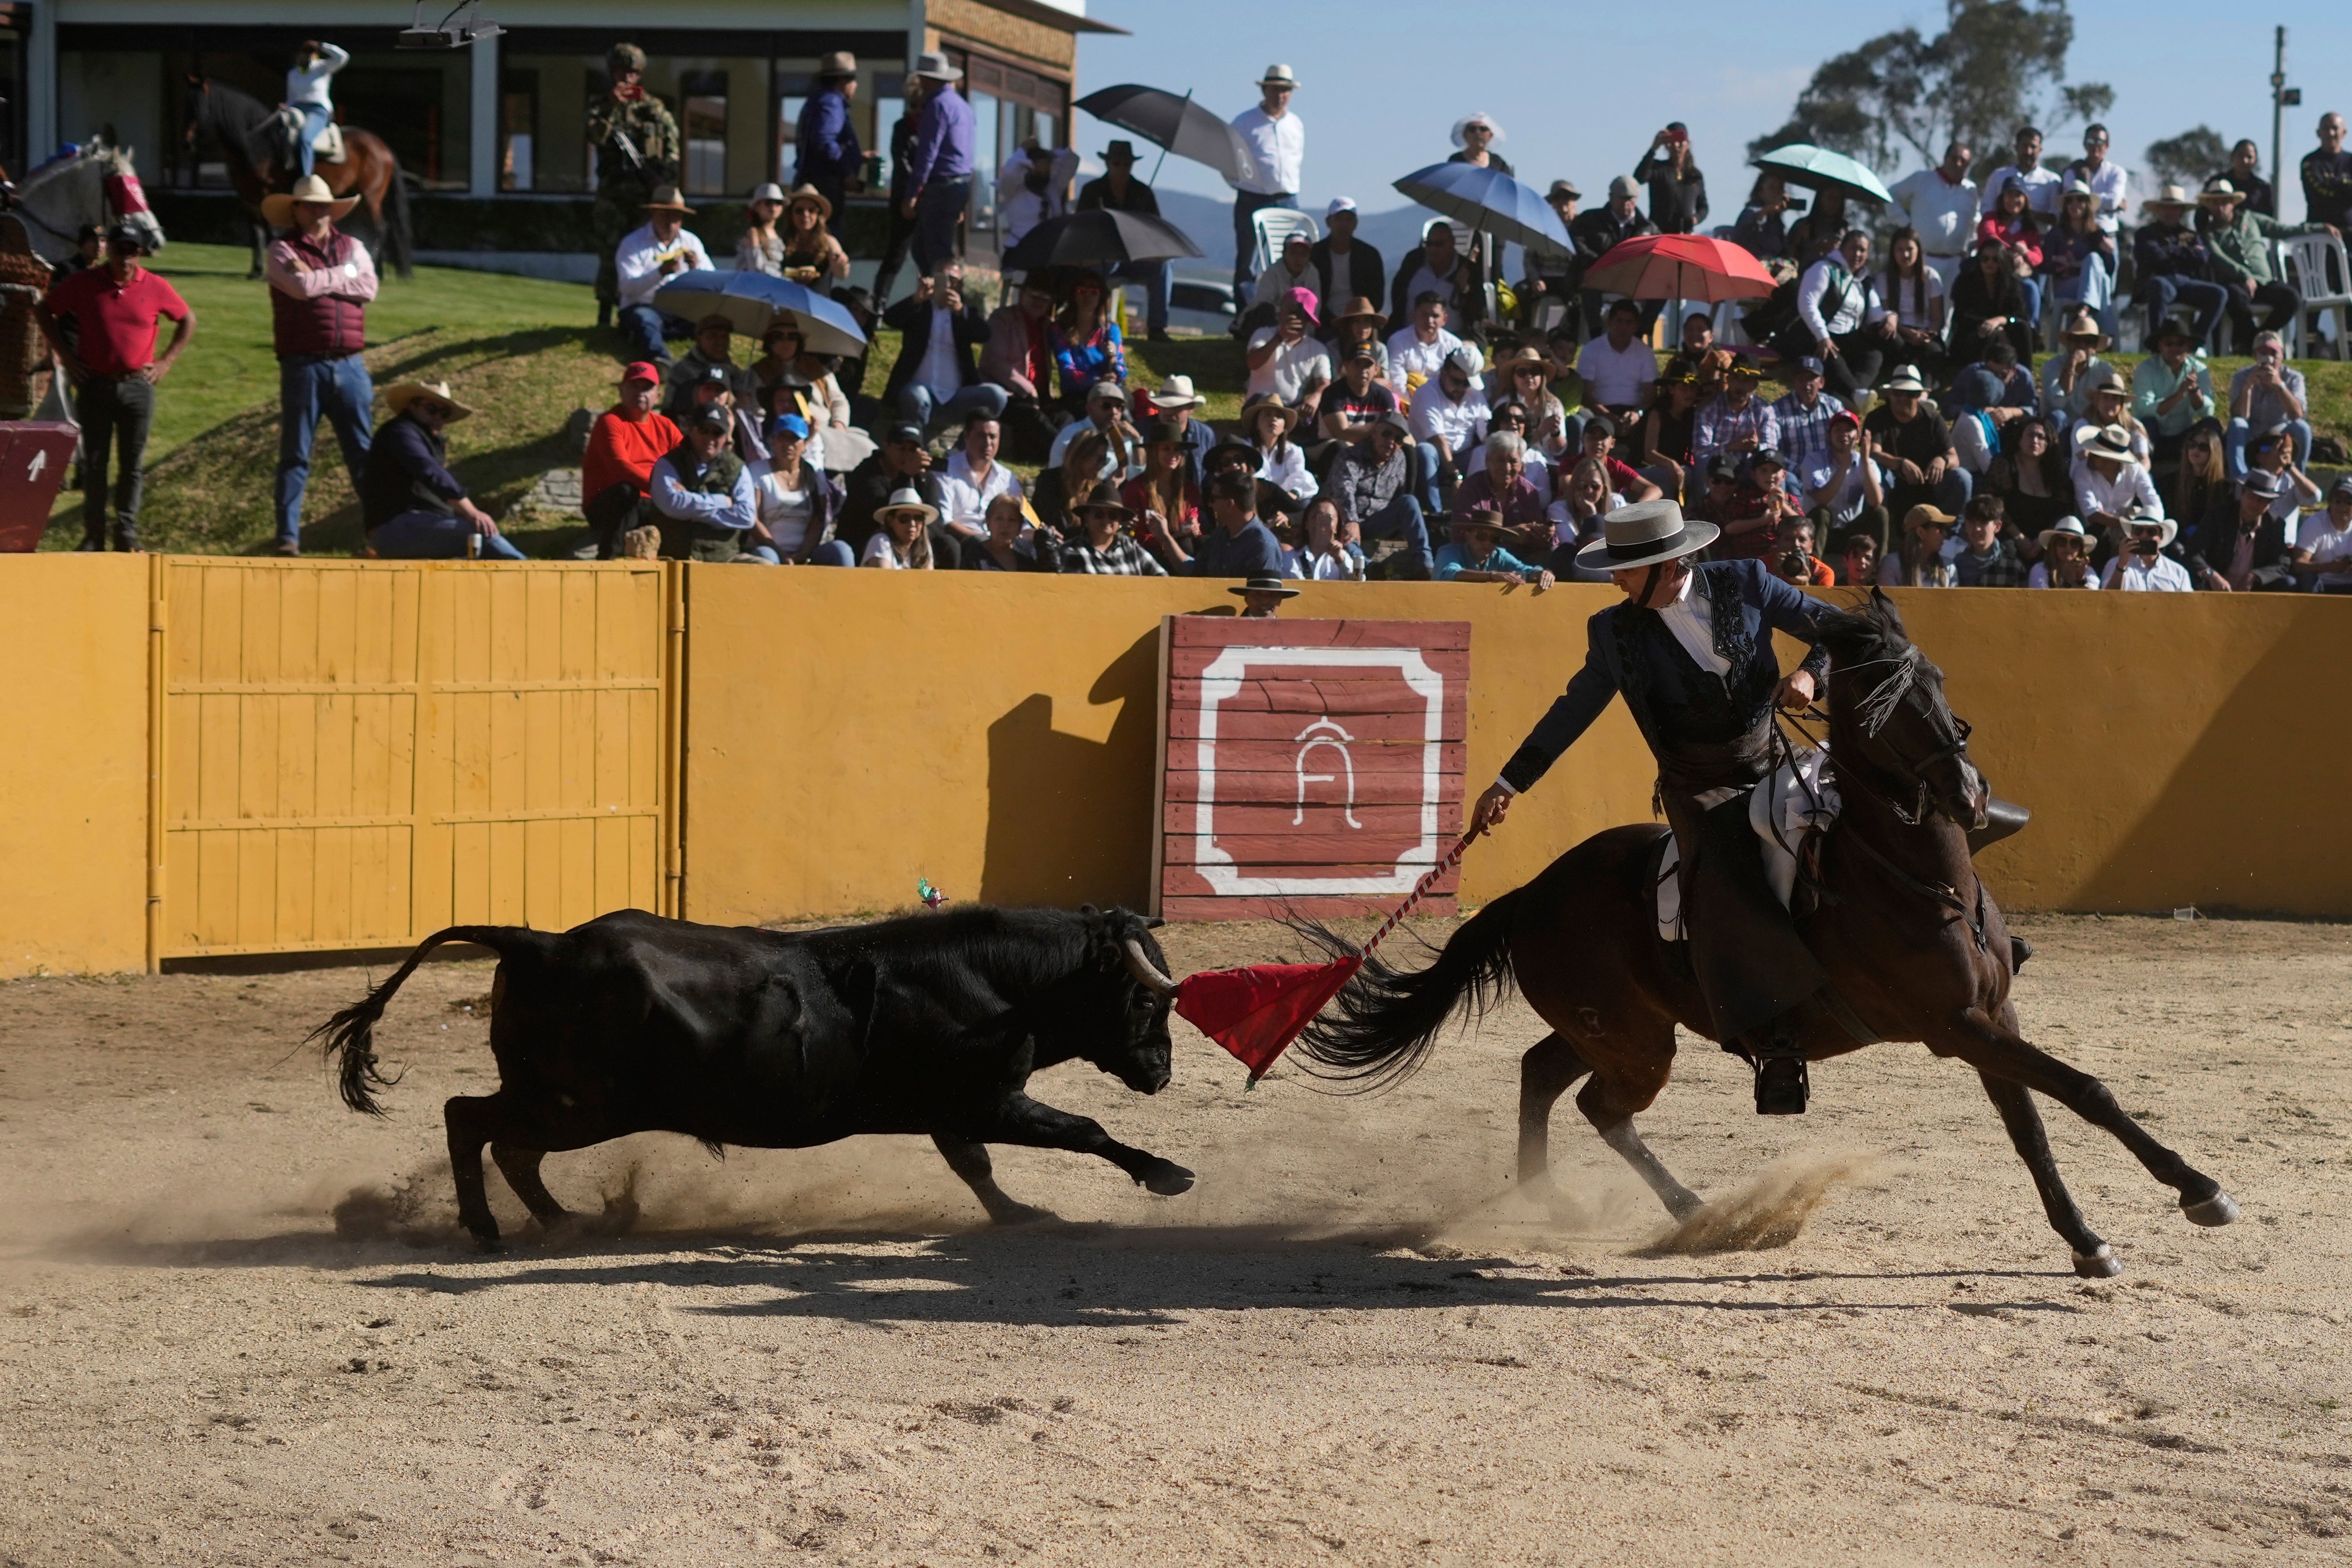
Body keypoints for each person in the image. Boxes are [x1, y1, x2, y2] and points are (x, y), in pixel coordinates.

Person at [1472, 499, 1836, 1112]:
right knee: (1731, 880)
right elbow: (1573, 709)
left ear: (1669, 566)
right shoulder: (1613, 632)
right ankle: (1775, 1039)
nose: (1614, 579)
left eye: (1625, 569)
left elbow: (1834, 629)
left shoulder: (1744, 581)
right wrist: (1509, 783)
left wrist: (1810, 677)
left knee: (1871, 811)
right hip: (1698, 789)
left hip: (1776, 760)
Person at [37, 221, 193, 553]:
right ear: (107, 249)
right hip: (94, 384)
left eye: (132, 251)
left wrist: (166, 361)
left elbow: (186, 320)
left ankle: (127, 534)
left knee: (132, 465)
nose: (125, 257)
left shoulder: (154, 286)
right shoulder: (84, 283)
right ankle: (94, 536)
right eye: (119, 249)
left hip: (138, 386)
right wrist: (65, 355)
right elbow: (44, 309)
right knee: (95, 464)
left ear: (140, 253)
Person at [261, 175, 375, 558]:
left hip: (351, 364)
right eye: (311, 204)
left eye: (324, 204)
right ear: (296, 209)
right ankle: (288, 538)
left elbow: (370, 288)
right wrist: (345, 276)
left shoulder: (353, 246)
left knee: (363, 454)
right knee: (296, 453)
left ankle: (379, 532)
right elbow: (301, 290)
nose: (320, 210)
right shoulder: (280, 250)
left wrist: (321, 277)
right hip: (303, 365)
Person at [358, 380, 523, 560]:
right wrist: (472, 512)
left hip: (420, 525)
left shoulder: (425, 439)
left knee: (470, 557)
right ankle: (528, 576)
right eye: (431, 409)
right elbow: (429, 471)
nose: (438, 416)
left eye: (444, 413)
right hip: (397, 526)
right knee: (479, 535)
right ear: (412, 407)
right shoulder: (400, 432)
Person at [586, 44, 681, 328]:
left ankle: (644, 313)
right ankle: (605, 315)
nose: (626, 78)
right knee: (609, 252)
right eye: (621, 71)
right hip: (613, 195)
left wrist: (660, 184)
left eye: (632, 72)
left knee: (647, 253)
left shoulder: (654, 109)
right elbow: (593, 135)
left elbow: (673, 152)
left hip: (647, 196)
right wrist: (611, 108)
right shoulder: (600, 106)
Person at [2202, 177, 2334, 352]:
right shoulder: (2209, 234)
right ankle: (2254, 343)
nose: (2220, 207)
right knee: (2234, 298)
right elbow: (2219, 258)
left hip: (2265, 282)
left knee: (2291, 298)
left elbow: (2283, 230)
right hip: (2238, 284)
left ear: (2233, 203)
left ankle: (2254, 341)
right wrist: (2245, 276)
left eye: (2224, 202)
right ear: (2209, 206)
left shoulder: (2251, 219)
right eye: (2215, 203)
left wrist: (2319, 228)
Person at [882, 264, 1005, 434]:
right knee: (916, 397)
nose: (948, 285)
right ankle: (919, 450)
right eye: (942, 279)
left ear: (960, 286)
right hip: (920, 391)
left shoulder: (964, 313)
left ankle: (962, 448)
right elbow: (890, 319)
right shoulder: (920, 309)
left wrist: (961, 311)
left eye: (953, 280)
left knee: (997, 395)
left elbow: (984, 335)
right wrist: (916, 299)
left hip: (956, 395)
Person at [648, 404, 773, 563]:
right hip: (674, 558)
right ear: (692, 430)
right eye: (704, 430)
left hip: (724, 559)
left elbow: (746, 516)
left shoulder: (737, 468)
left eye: (717, 433)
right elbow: (671, 504)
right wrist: (722, 502)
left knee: (764, 565)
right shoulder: (668, 464)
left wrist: (690, 505)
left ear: (726, 436)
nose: (710, 438)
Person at [582, 362, 681, 558]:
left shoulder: (666, 427)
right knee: (626, 491)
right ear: (621, 390)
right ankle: (609, 559)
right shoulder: (610, 421)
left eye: (647, 388)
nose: (640, 393)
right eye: (634, 386)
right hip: (613, 501)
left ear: (658, 396)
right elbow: (620, 466)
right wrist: (662, 489)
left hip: (654, 500)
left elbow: (688, 460)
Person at [1078, 140, 1171, 341]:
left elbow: (1155, 228)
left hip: (1135, 257)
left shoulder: (1143, 193)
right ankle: (1096, 324)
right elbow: (1082, 227)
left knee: (1163, 267)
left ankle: (1157, 327)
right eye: (1117, 164)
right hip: (1102, 257)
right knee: (1098, 270)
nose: (1121, 169)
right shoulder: (1092, 191)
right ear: (1108, 164)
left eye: (1126, 165)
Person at [1229, 65, 1305, 301]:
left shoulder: (1296, 124)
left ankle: (1281, 313)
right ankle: (1248, 318)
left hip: (1286, 199)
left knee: (1288, 260)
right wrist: (1241, 184)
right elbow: (1229, 160)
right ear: (1265, 91)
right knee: (1248, 261)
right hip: (1253, 197)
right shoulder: (1245, 123)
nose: (1280, 96)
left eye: (1285, 90)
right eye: (1275, 90)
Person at [614, 187, 710, 369]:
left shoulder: (691, 242)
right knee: (646, 319)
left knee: (710, 319)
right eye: (665, 215)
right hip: (645, 305)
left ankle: (707, 363)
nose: (670, 223)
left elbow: (712, 281)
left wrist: (696, 268)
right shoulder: (633, 244)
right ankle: (661, 360)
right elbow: (627, 288)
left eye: (676, 217)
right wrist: (660, 273)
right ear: (653, 214)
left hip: (680, 309)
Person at [1329, 412, 1434, 578]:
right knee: (1340, 527)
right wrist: (1352, 520)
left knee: (1410, 502)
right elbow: (1344, 491)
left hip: (1378, 521)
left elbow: (1400, 496)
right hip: (1348, 518)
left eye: (1399, 439)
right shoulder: (1350, 456)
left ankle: (1424, 564)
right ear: (1374, 433)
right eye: (1387, 434)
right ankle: (1369, 567)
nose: (1391, 442)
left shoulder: (1400, 459)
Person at [1793, 229, 1893, 403]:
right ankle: (1856, 394)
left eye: (1862, 250)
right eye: (1853, 248)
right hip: (1818, 337)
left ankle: (1854, 394)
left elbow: (1875, 314)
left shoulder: (1864, 281)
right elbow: (1807, 304)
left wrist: (1891, 316)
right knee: (1831, 352)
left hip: (1849, 338)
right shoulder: (1824, 268)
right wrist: (1822, 336)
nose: (1858, 254)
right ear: (1842, 249)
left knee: (1875, 354)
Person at [841, 420, 957, 568]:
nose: (907, 456)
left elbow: (936, 525)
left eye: (913, 451)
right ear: (886, 446)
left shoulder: (925, 478)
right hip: (868, 543)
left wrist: (914, 534)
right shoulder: (867, 474)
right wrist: (905, 475)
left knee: (949, 545)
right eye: (902, 449)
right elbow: (880, 516)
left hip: (914, 546)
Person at [902, 53, 975, 276]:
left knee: (935, 253)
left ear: (928, 80)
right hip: (959, 183)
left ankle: (943, 302)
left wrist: (913, 193)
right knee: (928, 249)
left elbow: (928, 152)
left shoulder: (937, 106)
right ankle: (936, 299)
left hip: (942, 186)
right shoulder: (963, 107)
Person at [747, 412, 852, 566]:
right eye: (783, 437)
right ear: (774, 440)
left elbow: (818, 519)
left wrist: (803, 554)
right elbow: (754, 519)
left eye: (794, 438)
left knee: (841, 550)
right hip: (770, 549)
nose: (788, 444)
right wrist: (781, 554)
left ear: (804, 443)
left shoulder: (815, 473)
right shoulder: (758, 471)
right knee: (766, 557)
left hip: (807, 552)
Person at [1863, 364, 1968, 519]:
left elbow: (1954, 458)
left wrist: (1943, 460)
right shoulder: (1877, 418)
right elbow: (1873, 454)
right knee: (1877, 474)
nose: (1904, 399)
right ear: (1890, 394)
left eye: (1910, 394)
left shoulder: (1933, 419)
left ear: (1919, 396)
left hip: (1930, 482)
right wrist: (1901, 463)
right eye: (1898, 393)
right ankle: (1880, 522)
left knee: (1962, 477)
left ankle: (1952, 528)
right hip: (1894, 482)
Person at [2131, 184, 2225, 349]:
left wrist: (2170, 251)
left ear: (2182, 212)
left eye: (2175, 209)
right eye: (2166, 208)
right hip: (2159, 282)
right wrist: (2185, 253)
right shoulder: (2146, 233)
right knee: (2158, 286)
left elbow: (2202, 257)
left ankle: (2194, 342)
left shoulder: (2189, 235)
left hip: (2186, 284)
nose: (2170, 213)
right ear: (2158, 210)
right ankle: (2158, 344)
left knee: (2219, 294)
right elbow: (2155, 256)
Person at [981, 276, 1064, 461]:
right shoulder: (1002, 319)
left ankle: (1057, 458)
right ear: (1022, 294)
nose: (1039, 303)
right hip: (1009, 394)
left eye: (1045, 299)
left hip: (1041, 396)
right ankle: (1067, 458)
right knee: (1032, 417)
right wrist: (1028, 388)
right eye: (1034, 296)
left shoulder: (1048, 326)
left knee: (1064, 416)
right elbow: (993, 363)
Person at [1147, 468, 1284, 577]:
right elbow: (1193, 570)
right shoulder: (1220, 535)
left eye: (1214, 499)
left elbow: (1264, 598)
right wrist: (1165, 538)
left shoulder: (1264, 545)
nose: (1210, 505)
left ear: (1230, 504)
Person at [1572, 175, 1661, 336]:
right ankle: (1595, 333)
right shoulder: (1590, 220)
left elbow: (1658, 255)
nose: (1627, 203)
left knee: (1661, 288)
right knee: (1588, 284)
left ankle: (1641, 332)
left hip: (1633, 278)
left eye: (1631, 199)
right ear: (1611, 198)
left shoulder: (1649, 229)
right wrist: (1601, 263)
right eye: (1622, 198)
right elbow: (1578, 244)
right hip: (1599, 274)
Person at [2182, 468, 2296, 592]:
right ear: (2242, 494)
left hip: (2253, 590)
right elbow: (2193, 553)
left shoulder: (2275, 525)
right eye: (2252, 497)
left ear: (2269, 505)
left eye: (2262, 500)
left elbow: (2282, 563)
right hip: (2213, 587)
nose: (2255, 503)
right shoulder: (2218, 516)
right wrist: (2211, 575)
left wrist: (2256, 576)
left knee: (2287, 583)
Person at [1407, 346, 1489, 513]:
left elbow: (1486, 432)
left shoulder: (1475, 394)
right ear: (1444, 372)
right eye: (1456, 382)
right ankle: (1436, 514)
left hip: (1464, 456)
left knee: (1484, 451)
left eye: (1466, 384)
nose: (1461, 388)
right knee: (1426, 451)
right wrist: (1456, 477)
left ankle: (1481, 513)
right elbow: (1438, 441)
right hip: (1434, 460)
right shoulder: (1426, 393)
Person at [1889, 140, 1979, 288]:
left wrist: (1971, 250)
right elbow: (1891, 196)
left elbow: (1975, 222)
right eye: (1954, 159)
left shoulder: (1970, 190)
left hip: (1955, 264)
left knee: (1949, 309)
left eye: (1963, 161)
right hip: (1923, 258)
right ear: (1945, 158)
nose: (1958, 164)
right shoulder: (1922, 179)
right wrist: (1907, 226)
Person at [792, 52, 862, 235]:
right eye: (853, 79)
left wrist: (858, 157)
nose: (856, 85)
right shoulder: (832, 103)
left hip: (815, 180)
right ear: (842, 80)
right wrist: (847, 172)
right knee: (826, 240)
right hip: (826, 185)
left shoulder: (819, 100)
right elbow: (824, 142)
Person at [1802, 409, 1888, 555]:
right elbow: (1821, 499)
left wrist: (1865, 463)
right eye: (1838, 430)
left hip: (1852, 532)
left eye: (1849, 430)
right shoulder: (1813, 460)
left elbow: (1876, 501)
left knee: (1880, 513)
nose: (1844, 434)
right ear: (1829, 436)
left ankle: (1878, 570)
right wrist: (1844, 467)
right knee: (1822, 513)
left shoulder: (1868, 463)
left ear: (1859, 437)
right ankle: (1812, 567)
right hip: (1823, 531)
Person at [2225, 332, 2311, 477]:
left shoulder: (2294, 378)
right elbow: (2240, 416)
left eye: (2274, 354)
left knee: (2302, 428)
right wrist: (2248, 388)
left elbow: (2298, 414)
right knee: (2237, 424)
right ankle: (2240, 482)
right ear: (2255, 356)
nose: (2269, 360)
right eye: (2263, 354)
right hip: (2252, 435)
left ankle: (2296, 481)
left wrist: (2280, 386)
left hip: (2279, 435)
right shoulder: (2242, 377)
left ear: (2282, 355)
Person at [2129, 320, 2215, 463]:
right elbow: (2144, 409)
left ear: (2188, 346)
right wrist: (2179, 395)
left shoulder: (2199, 369)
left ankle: (2207, 478)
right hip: (2154, 435)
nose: (2174, 348)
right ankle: (2144, 470)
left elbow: (2208, 412)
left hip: (2185, 437)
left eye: (2180, 343)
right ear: (2160, 346)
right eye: (2169, 343)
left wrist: (2195, 391)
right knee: (2147, 424)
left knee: (2212, 426)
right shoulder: (2146, 369)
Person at [1453, 429, 1548, 554]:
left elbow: (1537, 536)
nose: (1507, 468)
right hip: (1478, 558)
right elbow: (1462, 532)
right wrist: (1509, 534)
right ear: (1487, 461)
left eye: (1513, 462)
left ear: (1521, 465)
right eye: (1500, 460)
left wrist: (1545, 534)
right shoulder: (1471, 488)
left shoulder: (1528, 491)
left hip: (1518, 560)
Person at [1948, 236, 2035, 370]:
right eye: (1985, 259)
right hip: (1973, 329)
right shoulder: (1966, 281)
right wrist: (1992, 326)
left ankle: (2023, 374)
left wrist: (2000, 321)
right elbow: (1962, 314)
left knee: (2022, 328)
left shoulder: (2011, 283)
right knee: (1988, 334)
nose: (1990, 263)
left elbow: (2018, 315)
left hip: (2004, 326)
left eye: (1995, 260)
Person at [937, 411, 1023, 545]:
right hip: (963, 546)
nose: (988, 443)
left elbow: (1023, 522)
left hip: (1002, 547)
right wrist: (986, 543)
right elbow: (945, 521)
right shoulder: (947, 471)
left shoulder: (1008, 478)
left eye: (993, 437)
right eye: (981, 436)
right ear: (966, 436)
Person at [871, 78, 922, 304]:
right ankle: (879, 302)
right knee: (896, 255)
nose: (917, 111)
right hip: (906, 197)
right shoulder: (902, 129)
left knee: (931, 256)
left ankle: (931, 302)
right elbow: (901, 166)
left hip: (928, 198)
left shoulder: (934, 130)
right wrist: (911, 195)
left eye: (922, 106)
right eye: (914, 106)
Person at [1245, 290, 1331, 417]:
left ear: (1308, 319)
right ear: (1280, 313)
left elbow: (1325, 384)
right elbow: (1253, 363)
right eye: (1292, 313)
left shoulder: (1318, 349)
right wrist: (1280, 337)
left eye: (1303, 315)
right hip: (1259, 406)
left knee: (1327, 410)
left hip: (1291, 409)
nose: (1297, 318)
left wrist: (1317, 396)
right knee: (1266, 400)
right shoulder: (1263, 334)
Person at [2040, 181, 2116, 325]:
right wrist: (2060, 263)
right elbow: (2045, 265)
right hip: (2066, 285)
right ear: (2065, 206)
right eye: (2070, 201)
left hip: (2091, 285)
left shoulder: (2097, 233)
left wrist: (2109, 253)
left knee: (2096, 265)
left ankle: (2084, 309)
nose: (2075, 204)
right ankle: (2108, 337)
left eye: (2080, 200)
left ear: (2087, 204)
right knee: (2101, 283)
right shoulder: (2057, 233)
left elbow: (2109, 269)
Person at [1387, 220, 1482, 334]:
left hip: (1453, 340)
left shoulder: (1467, 270)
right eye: (1429, 244)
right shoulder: (1413, 262)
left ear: (1452, 243)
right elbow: (1397, 295)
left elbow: (1479, 312)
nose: (1433, 249)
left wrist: (1465, 290)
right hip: (1411, 338)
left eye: (1439, 245)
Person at [1576, 297, 1658, 428]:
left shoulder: (1645, 353)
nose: (1623, 327)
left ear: (1636, 326)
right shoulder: (1591, 349)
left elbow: (1651, 394)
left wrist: (1637, 413)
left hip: (1634, 412)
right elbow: (1586, 394)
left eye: (1629, 322)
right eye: (1619, 321)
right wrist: (1608, 416)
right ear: (1609, 322)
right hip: (1598, 411)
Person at [1308, 198, 1386, 334]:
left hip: (1361, 323)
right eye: (1339, 219)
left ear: (1356, 223)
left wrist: (1358, 317)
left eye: (1349, 219)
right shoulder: (1315, 255)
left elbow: (1377, 298)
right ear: (1329, 222)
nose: (1343, 225)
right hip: (1323, 322)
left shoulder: (1370, 256)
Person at [2072, 423, 2161, 542]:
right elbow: (2091, 513)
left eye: (2096, 454)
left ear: (2114, 460)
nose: (2089, 455)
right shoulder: (2082, 471)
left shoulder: (2135, 470)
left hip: (2127, 529)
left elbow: (2153, 502)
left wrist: (2150, 528)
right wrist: (2132, 527)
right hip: (2092, 532)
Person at [1986, 415, 2071, 539]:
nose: (2035, 441)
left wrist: (2041, 542)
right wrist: (2019, 538)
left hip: (2046, 542)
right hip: (2009, 539)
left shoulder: (2056, 472)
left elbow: (2063, 512)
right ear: (2020, 439)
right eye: (2030, 435)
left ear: (2048, 443)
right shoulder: (2004, 464)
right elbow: (1994, 504)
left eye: (2041, 437)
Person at [1975, 178, 2045, 328]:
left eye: (2018, 196)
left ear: (2025, 200)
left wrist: (2025, 252)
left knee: (2032, 288)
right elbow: (1988, 236)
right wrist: (2012, 250)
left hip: (2016, 277)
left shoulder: (2029, 227)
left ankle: (2032, 328)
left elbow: (2038, 258)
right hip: (1990, 275)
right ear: (2002, 199)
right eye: (2009, 195)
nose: (2013, 200)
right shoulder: (1991, 218)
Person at [1051, 273, 1124, 413]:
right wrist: (1095, 381)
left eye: (1094, 292)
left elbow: (1122, 372)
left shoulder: (1111, 330)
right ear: (1074, 295)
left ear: (1101, 297)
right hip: (1076, 397)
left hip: (1109, 395)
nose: (1088, 297)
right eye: (1082, 291)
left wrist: (1114, 359)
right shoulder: (1059, 330)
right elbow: (1067, 370)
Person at [662, 315, 756, 424]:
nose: (720, 342)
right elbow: (668, 410)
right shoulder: (682, 371)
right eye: (713, 336)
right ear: (699, 339)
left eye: (725, 337)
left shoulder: (735, 374)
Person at [1876, 227, 1948, 371]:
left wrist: (1928, 335)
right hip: (1899, 331)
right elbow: (1885, 314)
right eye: (1900, 250)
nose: (1905, 254)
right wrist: (1909, 334)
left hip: (1925, 332)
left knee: (1934, 351)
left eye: (1910, 249)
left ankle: (1926, 391)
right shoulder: (1884, 278)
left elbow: (1937, 318)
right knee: (1894, 344)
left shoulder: (1931, 277)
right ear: (1893, 252)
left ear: (1918, 251)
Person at [1056, 483, 1166, 576]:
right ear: (1087, 517)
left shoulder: (1132, 548)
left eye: (1113, 516)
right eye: (1099, 515)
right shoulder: (1071, 551)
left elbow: (1162, 578)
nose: (1106, 521)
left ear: (1120, 521)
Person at [1122, 419, 1200, 546]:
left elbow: (1194, 521)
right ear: (1154, 452)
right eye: (1166, 449)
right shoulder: (1136, 488)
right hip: (1151, 554)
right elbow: (1139, 537)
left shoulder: (1189, 489)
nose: (1173, 454)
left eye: (1177, 449)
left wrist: (1194, 528)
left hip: (1184, 550)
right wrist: (1169, 539)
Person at [1433, 507, 1553, 587]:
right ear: (1468, 536)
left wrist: (1543, 573)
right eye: (1481, 536)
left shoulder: (1499, 555)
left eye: (1495, 539)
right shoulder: (1448, 552)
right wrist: (1492, 576)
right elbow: (1451, 573)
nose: (1488, 543)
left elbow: (1527, 571)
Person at [1691, 361, 1778, 470]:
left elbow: (1772, 448)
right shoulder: (1710, 408)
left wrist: (1756, 447)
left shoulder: (1764, 410)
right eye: (1736, 378)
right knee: (1703, 464)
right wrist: (1730, 446)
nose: (1740, 385)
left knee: (1773, 469)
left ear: (1755, 385)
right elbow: (1700, 451)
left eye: (1747, 380)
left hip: (1750, 469)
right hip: (1718, 468)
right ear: (1728, 379)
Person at [283, 40, 349, 181]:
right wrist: (286, 108)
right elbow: (291, 98)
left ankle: (306, 178)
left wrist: (322, 46)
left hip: (318, 110)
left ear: (315, 55)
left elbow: (343, 57)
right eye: (303, 53)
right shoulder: (293, 74)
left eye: (309, 53)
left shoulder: (323, 68)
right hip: (297, 110)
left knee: (305, 138)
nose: (305, 56)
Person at [995, 140, 1076, 251]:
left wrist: (1052, 154)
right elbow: (1010, 174)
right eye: (1038, 172)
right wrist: (1023, 149)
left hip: (1047, 252)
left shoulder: (1053, 191)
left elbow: (1072, 161)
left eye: (1046, 172)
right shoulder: (1014, 191)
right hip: (1020, 250)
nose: (1043, 175)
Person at [1318, 345, 1401, 452]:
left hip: (1372, 445)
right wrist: (1382, 425)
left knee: (1407, 447)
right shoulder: (1332, 394)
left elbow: (1394, 426)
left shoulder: (1384, 394)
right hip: (1332, 448)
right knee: (1342, 447)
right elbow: (1342, 433)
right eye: (1357, 364)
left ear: (1376, 370)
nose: (1363, 370)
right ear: (1346, 366)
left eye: (1368, 365)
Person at [2041, 305, 2114, 424]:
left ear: (2095, 348)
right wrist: (2071, 365)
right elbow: (2056, 402)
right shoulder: (2052, 366)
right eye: (2077, 340)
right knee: (2058, 416)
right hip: (2060, 425)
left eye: (2088, 341)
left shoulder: (2104, 371)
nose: (2081, 345)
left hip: (2090, 425)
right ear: (2069, 343)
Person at [1772, 356, 1844, 474]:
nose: (1807, 384)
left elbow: (1843, 442)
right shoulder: (1778, 409)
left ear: (1822, 383)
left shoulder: (1834, 406)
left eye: (1812, 379)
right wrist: (1800, 470)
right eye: (1801, 379)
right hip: (1794, 472)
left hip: (1830, 470)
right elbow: (1774, 449)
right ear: (1794, 382)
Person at [1388, 292, 1467, 399]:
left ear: (1445, 320)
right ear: (1413, 315)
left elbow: (1458, 383)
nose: (1430, 321)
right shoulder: (1397, 341)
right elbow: (1397, 382)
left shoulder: (1454, 345)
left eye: (1435, 316)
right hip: (1407, 403)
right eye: (1424, 315)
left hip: (1444, 403)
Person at [1633, 123, 1706, 235]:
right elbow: (1639, 178)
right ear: (1667, 145)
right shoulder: (1658, 169)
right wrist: (1654, 148)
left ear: (1688, 144)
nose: (1677, 146)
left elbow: (1703, 207)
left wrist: (1694, 220)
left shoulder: (1695, 175)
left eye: (1681, 141)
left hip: (1684, 235)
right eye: (1673, 142)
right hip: (1659, 233)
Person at [1242, 394, 1316, 503]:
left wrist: (1288, 498)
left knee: (1306, 493)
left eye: (1279, 416)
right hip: (1255, 501)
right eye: (1268, 415)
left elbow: (1299, 477)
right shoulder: (1246, 448)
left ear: (1284, 428)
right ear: (1257, 424)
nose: (1274, 419)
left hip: (1284, 502)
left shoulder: (1293, 451)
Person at [773, 185, 851, 285]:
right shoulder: (782, 240)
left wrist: (842, 264)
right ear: (791, 215)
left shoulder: (829, 241)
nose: (806, 215)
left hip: (818, 298)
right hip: (788, 298)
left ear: (818, 215)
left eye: (812, 211)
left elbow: (841, 275)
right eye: (799, 210)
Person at [2100, 509, 2191, 591]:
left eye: (2151, 532)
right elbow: (2107, 601)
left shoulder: (2178, 572)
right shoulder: (2114, 564)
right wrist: (2121, 566)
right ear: (2132, 535)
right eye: (2139, 531)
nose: (2144, 536)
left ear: (2161, 538)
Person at [1983, 125, 2059, 220]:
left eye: (2033, 147)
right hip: (2003, 234)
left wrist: (2028, 216)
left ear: (2040, 150)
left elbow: (2057, 217)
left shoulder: (2052, 180)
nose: (2028, 151)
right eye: (2024, 146)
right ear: (2016, 147)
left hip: (2039, 234)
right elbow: (1987, 209)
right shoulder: (1999, 176)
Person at [2292, 475, 2352, 592]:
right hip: (2321, 584)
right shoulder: (2315, 524)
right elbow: (2298, 565)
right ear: (2330, 501)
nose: (2343, 506)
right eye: (2338, 501)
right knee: (2307, 580)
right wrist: (2330, 567)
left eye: (2349, 502)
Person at [2062, 124, 2126, 233]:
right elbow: (2069, 202)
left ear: (2107, 146)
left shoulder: (2116, 172)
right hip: (2079, 233)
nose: (2095, 145)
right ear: (2085, 144)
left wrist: (2084, 200)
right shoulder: (2072, 171)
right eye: (2091, 141)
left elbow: (2112, 202)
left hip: (2107, 232)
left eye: (2100, 142)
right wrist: (2105, 202)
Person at [1951, 495, 2027, 586]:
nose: (1977, 529)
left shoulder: (2013, 568)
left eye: (1983, 523)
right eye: (1972, 522)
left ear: (1998, 527)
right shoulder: (1955, 565)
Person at [965, 492, 1051, 573]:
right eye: (999, 518)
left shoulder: (1028, 551)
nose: (1005, 525)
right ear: (988, 523)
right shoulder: (975, 555)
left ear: (1020, 526)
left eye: (1012, 520)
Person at [1285, 498, 1365, 581]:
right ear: (1306, 524)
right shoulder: (1290, 558)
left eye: (1328, 518)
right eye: (1316, 517)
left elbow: (1359, 585)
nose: (1321, 524)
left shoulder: (1343, 557)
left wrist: (1341, 561)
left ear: (1337, 528)